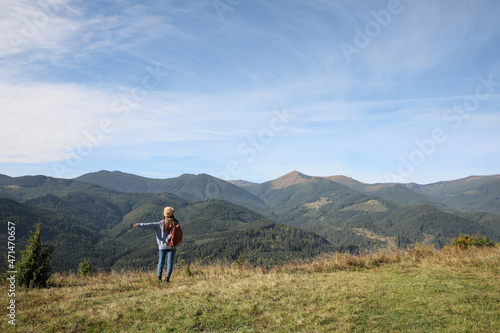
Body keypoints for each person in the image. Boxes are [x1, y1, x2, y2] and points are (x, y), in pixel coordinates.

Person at [133, 206, 181, 283]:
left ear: (164, 214)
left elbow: (148, 225)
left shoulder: (159, 224)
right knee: (170, 263)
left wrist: (138, 225)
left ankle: (159, 279)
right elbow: (179, 235)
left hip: (162, 246)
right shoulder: (176, 223)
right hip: (172, 246)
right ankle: (167, 279)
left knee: (161, 262)